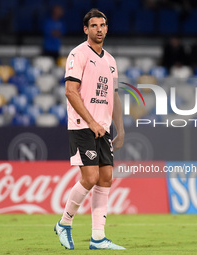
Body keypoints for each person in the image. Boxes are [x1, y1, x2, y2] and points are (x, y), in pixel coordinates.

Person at [54, 9, 125, 250]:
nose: (99, 29)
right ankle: (64, 223)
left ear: (107, 28)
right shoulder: (78, 54)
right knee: (91, 177)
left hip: (103, 129)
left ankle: (97, 237)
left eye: (102, 25)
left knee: (106, 178)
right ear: (86, 29)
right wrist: (92, 122)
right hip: (82, 125)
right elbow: (70, 91)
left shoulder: (111, 61)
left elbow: (114, 97)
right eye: (94, 25)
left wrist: (121, 129)